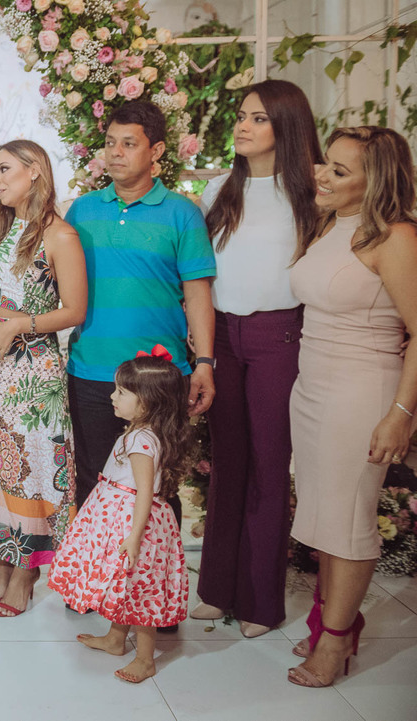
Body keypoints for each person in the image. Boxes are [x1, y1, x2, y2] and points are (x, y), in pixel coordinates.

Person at [286, 126, 417, 688]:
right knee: (324, 515)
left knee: (349, 519)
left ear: (376, 181)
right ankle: (331, 621)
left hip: (362, 392)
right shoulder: (331, 225)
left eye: (340, 171)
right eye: (325, 163)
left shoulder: (397, 237)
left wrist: (400, 413)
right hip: (312, 388)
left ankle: (337, 640)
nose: (322, 175)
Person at [193, 80, 321, 638]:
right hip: (221, 337)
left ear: (286, 125)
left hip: (280, 336)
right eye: (242, 116)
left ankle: (261, 602)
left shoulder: (311, 193)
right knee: (227, 463)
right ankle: (216, 590)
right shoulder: (218, 190)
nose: (243, 126)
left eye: (258, 118)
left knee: (270, 467)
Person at [64, 101, 216, 539]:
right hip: (92, 370)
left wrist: (204, 362)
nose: (116, 152)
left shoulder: (182, 213)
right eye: (111, 142)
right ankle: (95, 572)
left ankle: (154, 574)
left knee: (160, 487)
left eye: (129, 144)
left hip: (159, 378)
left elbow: (198, 294)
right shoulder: (82, 211)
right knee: (93, 481)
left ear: (157, 151)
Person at [0, 140, 87, 618]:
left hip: (32, 371)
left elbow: (75, 310)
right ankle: (4, 558)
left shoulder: (60, 235)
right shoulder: (0, 225)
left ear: (35, 172)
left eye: (4, 169)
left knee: (30, 467)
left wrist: (15, 325)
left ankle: (27, 569)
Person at [48, 352, 192, 684]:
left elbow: (145, 492)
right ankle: (116, 639)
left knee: (139, 589)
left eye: (121, 392)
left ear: (148, 402)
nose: (112, 396)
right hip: (119, 512)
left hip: (131, 521)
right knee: (125, 584)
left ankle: (145, 659)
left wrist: (135, 536)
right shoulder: (140, 430)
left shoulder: (142, 441)